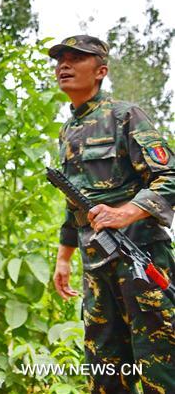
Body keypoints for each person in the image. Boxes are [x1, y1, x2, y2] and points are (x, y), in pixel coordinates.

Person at [49, 35, 175, 393]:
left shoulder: (125, 116)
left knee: (158, 367)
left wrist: (126, 213)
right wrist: (64, 257)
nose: (64, 66)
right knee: (105, 373)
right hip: (96, 270)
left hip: (142, 261)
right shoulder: (69, 131)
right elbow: (76, 200)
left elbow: (170, 177)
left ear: (101, 70)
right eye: (60, 59)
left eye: (76, 58)